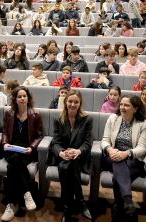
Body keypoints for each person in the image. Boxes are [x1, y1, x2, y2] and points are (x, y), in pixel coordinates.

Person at [101, 95, 146, 218]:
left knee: (116, 178)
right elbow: (105, 140)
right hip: (112, 156)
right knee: (118, 162)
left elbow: (142, 147)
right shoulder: (113, 118)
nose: (122, 107)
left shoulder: (144, 123)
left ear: (135, 108)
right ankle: (128, 201)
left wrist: (126, 153)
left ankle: (118, 208)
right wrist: (109, 149)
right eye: (121, 104)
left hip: (133, 158)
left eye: (127, 105)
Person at [1, 86, 44, 221]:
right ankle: (26, 192)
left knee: (12, 165)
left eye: (24, 96)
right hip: (12, 148)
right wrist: (5, 143)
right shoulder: (9, 113)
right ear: (15, 99)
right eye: (19, 96)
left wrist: (32, 147)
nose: (22, 98)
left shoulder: (35, 114)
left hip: (27, 150)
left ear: (28, 98)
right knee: (14, 159)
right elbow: (5, 133)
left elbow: (39, 135)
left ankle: (11, 204)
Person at [50, 90, 92, 221]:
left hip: (79, 156)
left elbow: (88, 142)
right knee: (67, 166)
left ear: (80, 104)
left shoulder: (87, 119)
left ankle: (67, 206)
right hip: (64, 155)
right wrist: (62, 153)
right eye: (70, 101)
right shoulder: (58, 119)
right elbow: (55, 142)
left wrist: (78, 151)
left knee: (67, 167)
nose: (72, 104)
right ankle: (80, 202)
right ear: (65, 102)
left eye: (76, 102)